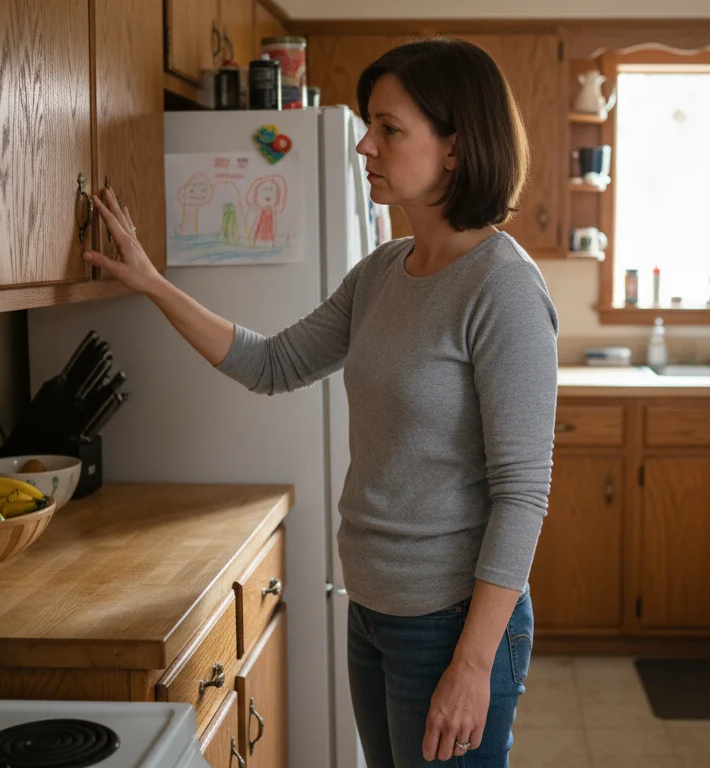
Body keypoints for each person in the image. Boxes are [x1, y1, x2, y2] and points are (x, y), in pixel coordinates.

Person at [83, 37, 558, 768]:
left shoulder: (503, 288)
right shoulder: (380, 273)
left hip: (451, 623)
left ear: (456, 148)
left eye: (389, 129)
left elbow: (523, 493)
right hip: (371, 609)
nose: (365, 145)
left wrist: (472, 663)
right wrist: (149, 281)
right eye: (369, 125)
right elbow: (271, 363)